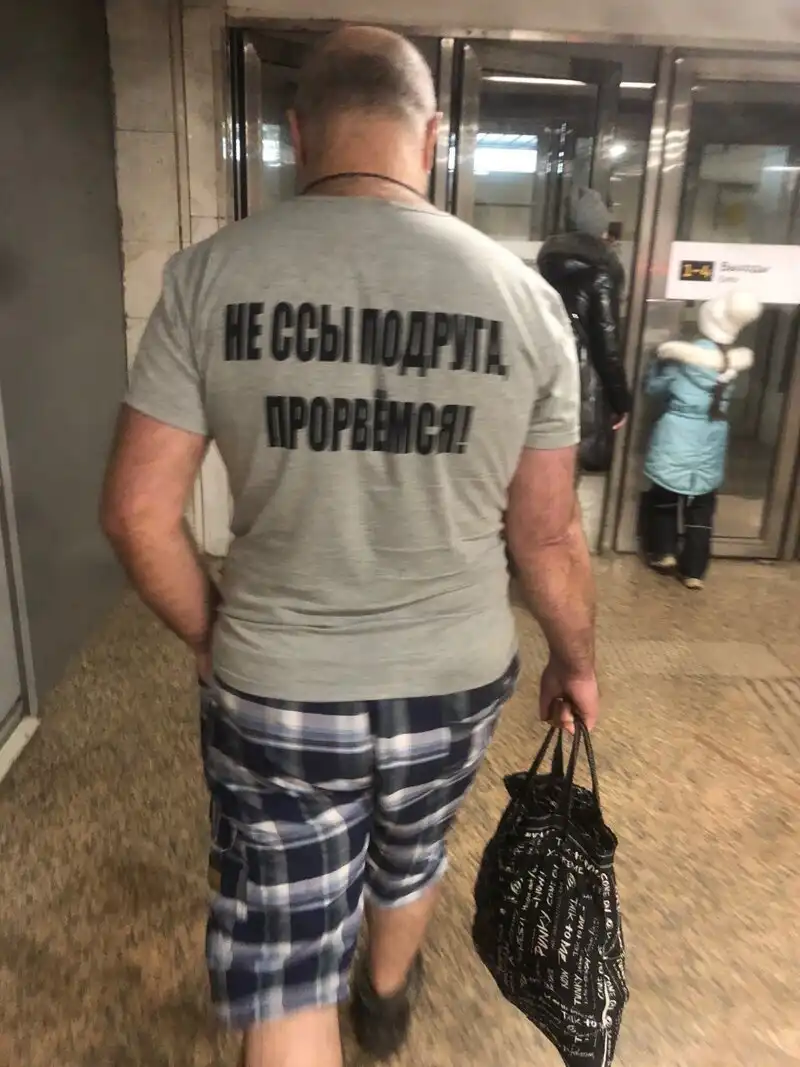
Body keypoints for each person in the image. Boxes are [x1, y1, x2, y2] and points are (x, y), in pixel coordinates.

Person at [101, 25, 599, 1067]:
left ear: (296, 132)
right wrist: (575, 658)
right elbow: (547, 532)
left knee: (287, 955)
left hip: (279, 678)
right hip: (454, 671)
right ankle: (384, 998)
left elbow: (136, 513)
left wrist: (209, 633)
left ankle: (331, 1000)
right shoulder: (524, 299)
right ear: (433, 134)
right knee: (412, 848)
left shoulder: (207, 277)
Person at [642, 290, 761, 590]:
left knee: (664, 495)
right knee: (702, 504)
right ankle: (694, 570)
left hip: (678, 429)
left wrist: (656, 365)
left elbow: (655, 389)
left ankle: (664, 552)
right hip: (713, 432)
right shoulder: (733, 362)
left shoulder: (681, 357)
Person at [538, 187, 632, 472]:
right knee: (571, 467)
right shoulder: (601, 271)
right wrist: (620, 401)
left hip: (546, 375)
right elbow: (607, 345)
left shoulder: (548, 264)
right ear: (600, 229)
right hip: (582, 382)